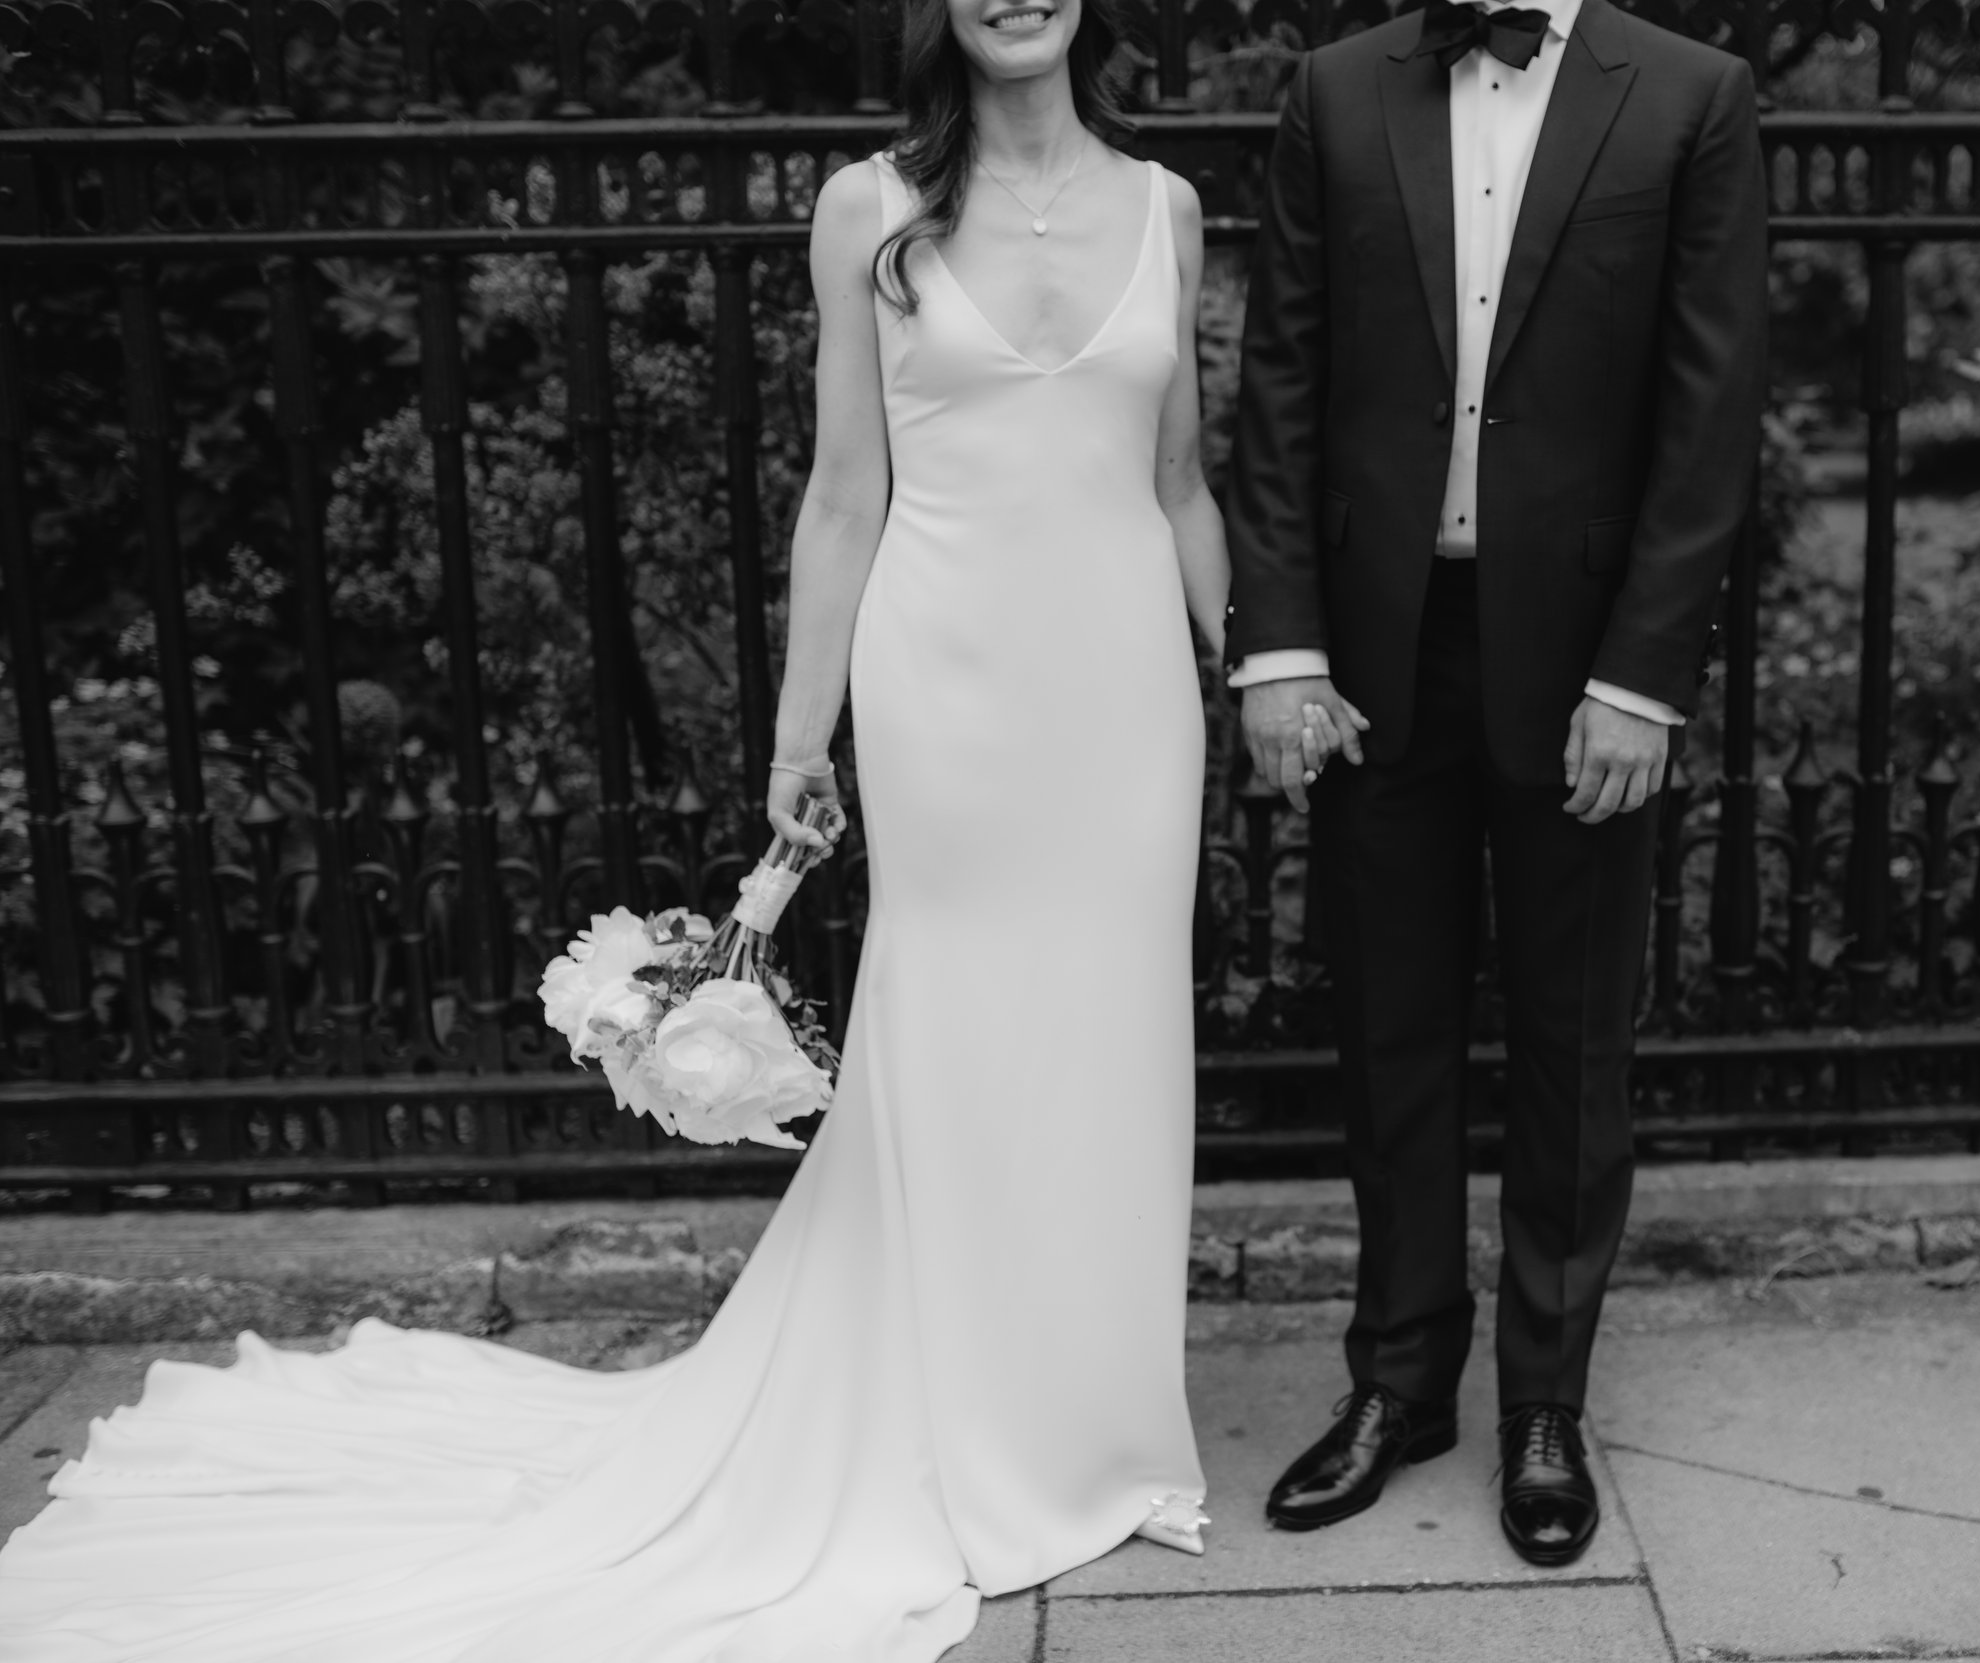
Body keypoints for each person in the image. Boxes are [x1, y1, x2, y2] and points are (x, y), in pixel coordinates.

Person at [0, 0, 1222, 1653]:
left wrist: (1255, 666)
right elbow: (844, 494)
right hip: (952, 687)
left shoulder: (1169, 207)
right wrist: (802, 736)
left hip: (1130, 702)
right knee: (957, 1034)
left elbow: (1178, 486)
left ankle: (1107, 1428)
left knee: (1114, 1039)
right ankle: (968, 1418)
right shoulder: (869, 210)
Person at [1224, 0, 1769, 1567]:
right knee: (1387, 1031)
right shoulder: (1334, 91)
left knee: (1572, 1039)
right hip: (1374, 657)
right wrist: (1281, 649)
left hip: (1586, 656)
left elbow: (1709, 406)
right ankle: (1400, 1383)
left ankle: (1545, 1398)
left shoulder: (1690, 96)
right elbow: (1282, 385)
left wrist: (1645, 676)